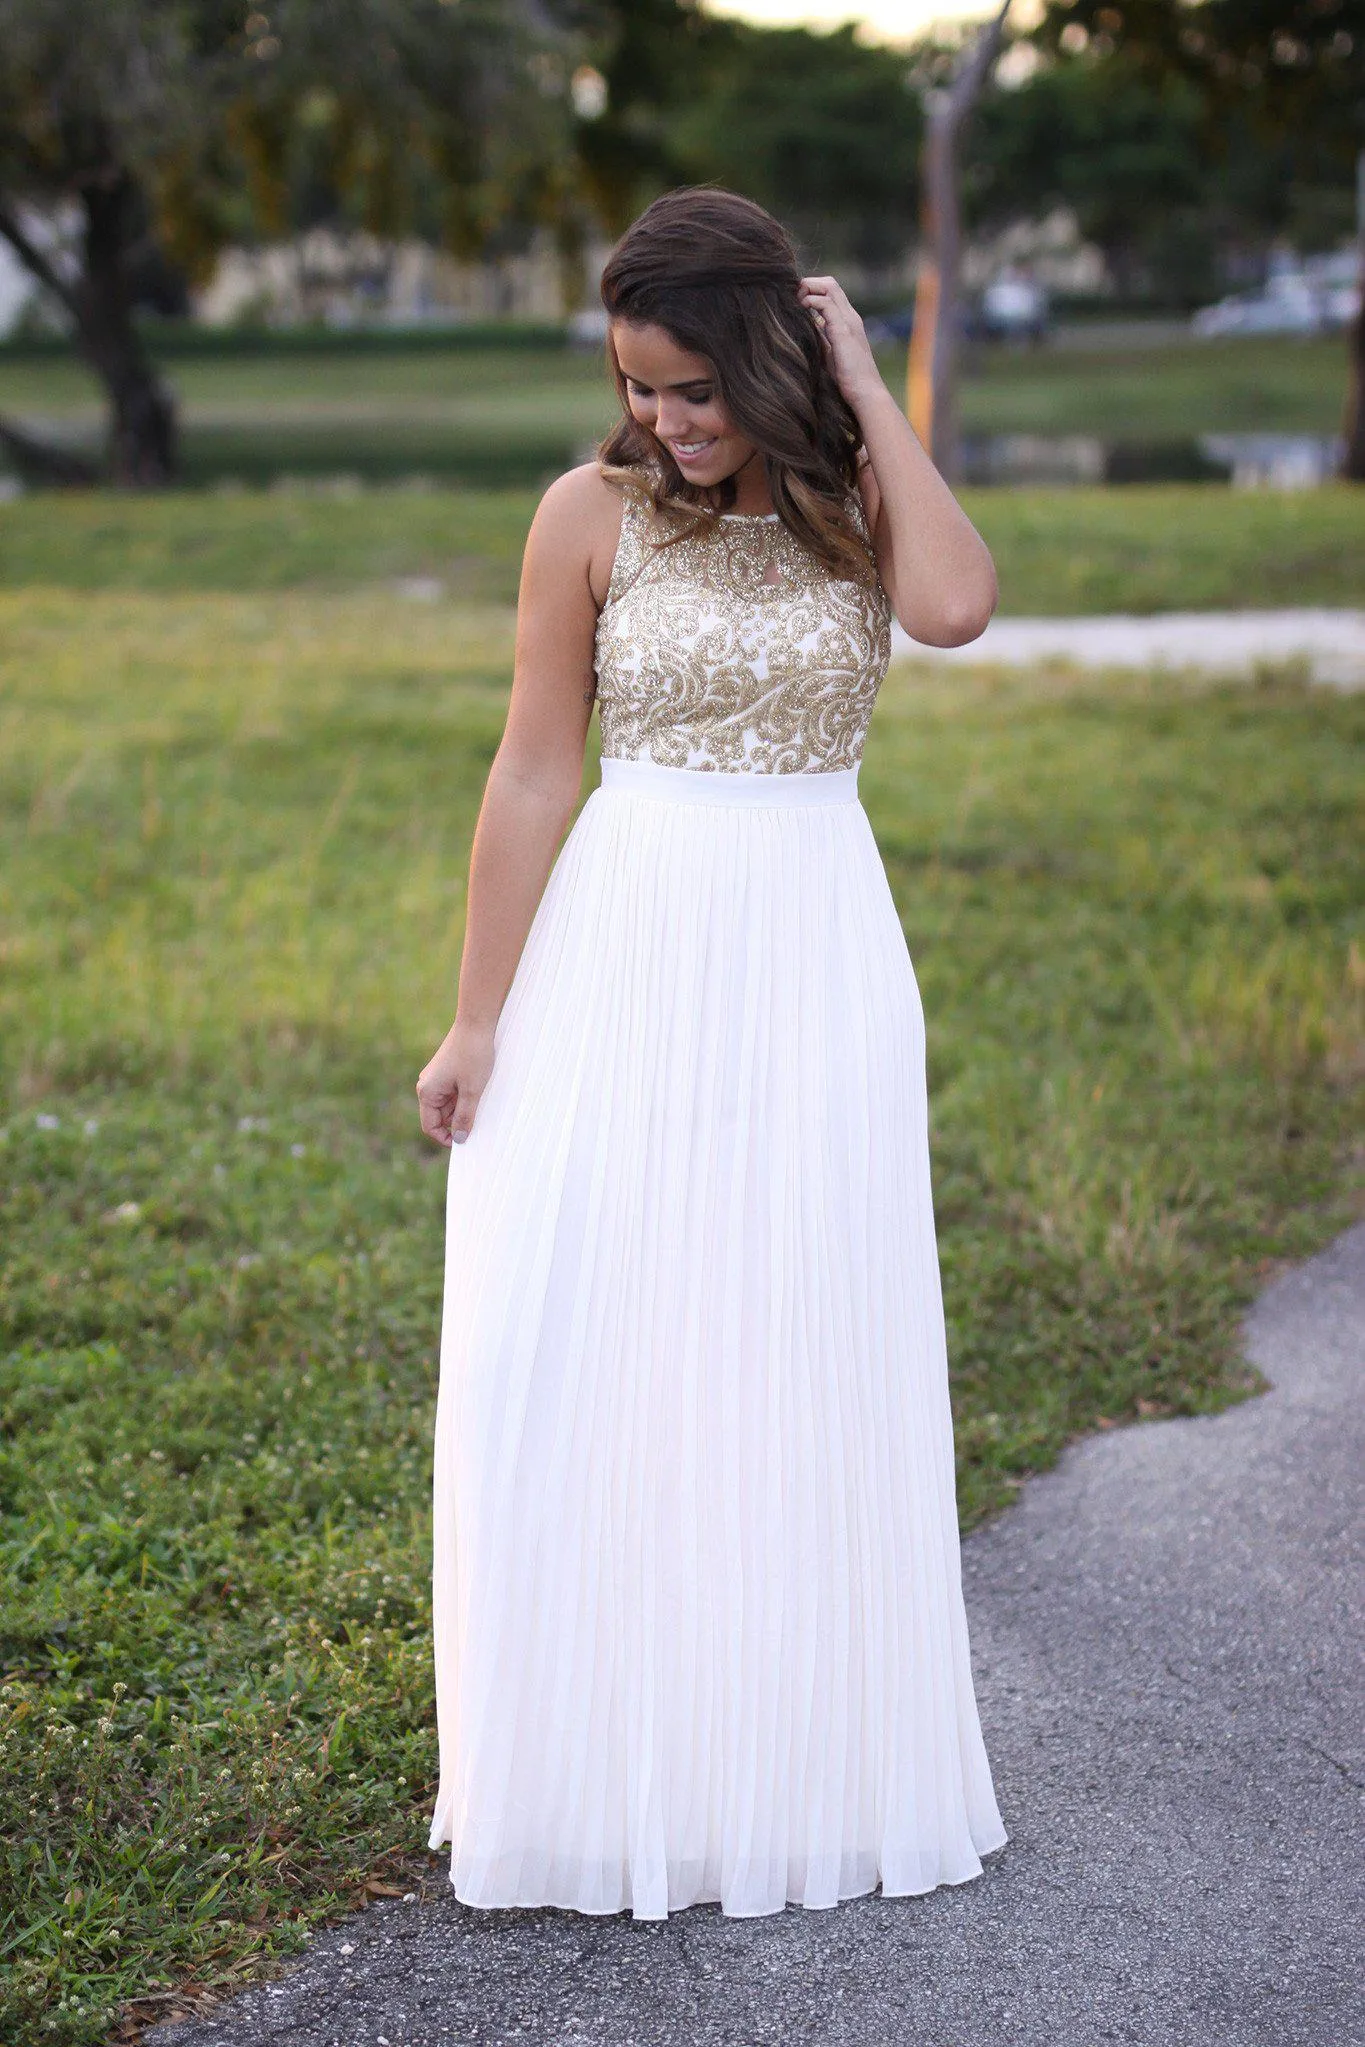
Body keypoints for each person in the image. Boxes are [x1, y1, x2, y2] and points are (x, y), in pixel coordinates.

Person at [417, 186, 1008, 1920]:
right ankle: (603, 1759)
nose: (667, 422)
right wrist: (476, 1014)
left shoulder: (848, 503)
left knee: (793, 1324)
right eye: (640, 384)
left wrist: (860, 378)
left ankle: (789, 1750)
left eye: (697, 385)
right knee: (597, 1325)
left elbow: (960, 607)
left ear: (769, 354)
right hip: (626, 938)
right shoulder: (585, 514)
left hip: (812, 938)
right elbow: (534, 769)